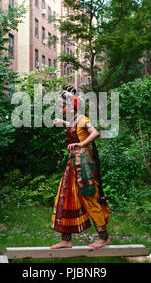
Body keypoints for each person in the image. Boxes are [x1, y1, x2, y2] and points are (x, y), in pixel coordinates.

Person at [50, 89, 110, 249]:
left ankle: (103, 237)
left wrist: (82, 144)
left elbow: (95, 133)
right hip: (73, 164)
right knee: (66, 197)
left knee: (89, 198)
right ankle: (66, 240)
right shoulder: (73, 120)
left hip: (83, 164)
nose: (60, 110)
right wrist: (61, 122)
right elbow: (72, 126)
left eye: (61, 107)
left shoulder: (82, 119)